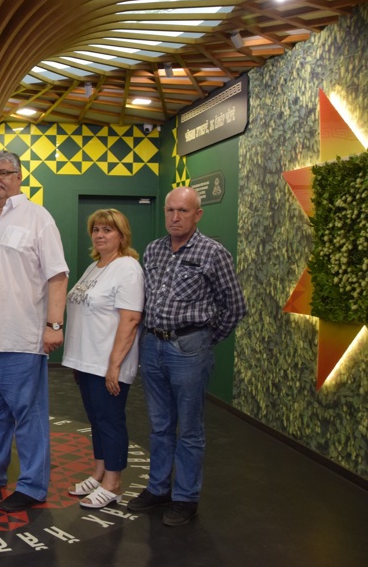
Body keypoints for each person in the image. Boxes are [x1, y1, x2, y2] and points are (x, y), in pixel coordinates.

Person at [0, 150, 68, 513]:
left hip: (19, 338)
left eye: (4, 172)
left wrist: (54, 325)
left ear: (19, 177)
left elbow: (57, 275)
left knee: (28, 415)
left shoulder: (37, 218)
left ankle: (33, 486)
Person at [127, 186, 246, 526]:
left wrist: (204, 340)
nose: (175, 217)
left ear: (198, 214)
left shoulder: (213, 253)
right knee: (159, 425)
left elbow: (235, 307)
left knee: (190, 429)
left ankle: (185, 497)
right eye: (170, 210)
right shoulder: (154, 250)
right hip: (153, 345)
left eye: (183, 211)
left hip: (189, 349)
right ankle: (158, 488)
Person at [61, 209, 143, 509]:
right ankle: (98, 474)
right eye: (96, 229)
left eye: (107, 230)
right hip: (87, 361)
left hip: (109, 363)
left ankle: (113, 483)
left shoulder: (128, 268)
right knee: (96, 420)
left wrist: (114, 365)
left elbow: (131, 319)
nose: (100, 235)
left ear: (122, 235)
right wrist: (78, 360)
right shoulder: (94, 267)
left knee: (110, 421)